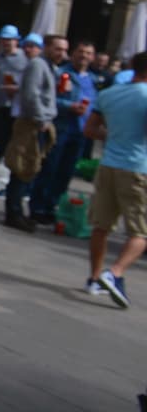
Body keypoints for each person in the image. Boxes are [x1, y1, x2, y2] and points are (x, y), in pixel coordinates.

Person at [83, 51, 147, 307]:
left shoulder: (109, 93)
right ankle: (116, 272)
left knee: (101, 226)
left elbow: (90, 129)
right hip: (137, 167)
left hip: (108, 164)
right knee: (140, 232)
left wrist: (116, 135)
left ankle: (95, 278)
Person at [29, 39, 95, 225]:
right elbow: (50, 99)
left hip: (80, 131)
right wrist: (69, 106)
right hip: (60, 128)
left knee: (66, 172)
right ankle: (38, 206)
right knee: (50, 168)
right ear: (73, 54)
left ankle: (53, 205)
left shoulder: (92, 79)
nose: (84, 56)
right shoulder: (62, 74)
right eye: (81, 51)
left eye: (88, 53)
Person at [2, 32, 57, 231]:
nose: (62, 53)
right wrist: (41, 117)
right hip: (31, 122)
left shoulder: (45, 65)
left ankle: (16, 210)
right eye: (58, 48)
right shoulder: (37, 64)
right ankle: (14, 212)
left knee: (28, 166)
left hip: (34, 120)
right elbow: (31, 94)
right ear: (47, 47)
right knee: (23, 166)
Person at [0, 25, 26, 165]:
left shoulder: (24, 59)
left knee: (14, 138)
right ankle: (1, 162)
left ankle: (10, 163)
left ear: (16, 41)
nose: (6, 42)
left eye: (9, 39)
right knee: (1, 136)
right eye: (3, 39)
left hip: (17, 106)